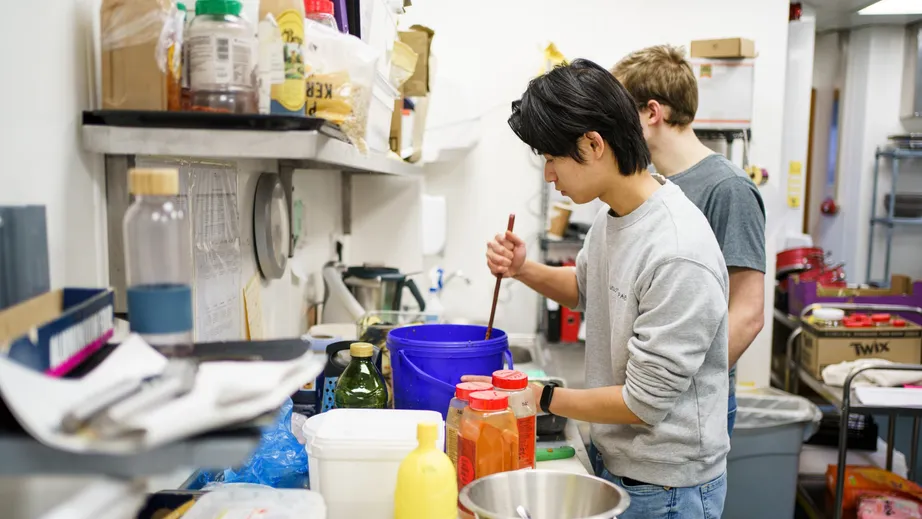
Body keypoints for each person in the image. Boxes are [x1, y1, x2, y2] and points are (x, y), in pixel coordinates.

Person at [469, 59, 730, 519]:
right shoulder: (614, 218)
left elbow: (641, 402)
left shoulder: (676, 248)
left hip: (667, 487)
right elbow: (587, 291)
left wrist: (539, 396)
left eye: (551, 158)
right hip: (622, 463)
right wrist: (523, 268)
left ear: (593, 144)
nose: (549, 175)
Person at [611, 45, 766, 436]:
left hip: (687, 408)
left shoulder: (728, 188)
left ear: (650, 112)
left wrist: (677, 387)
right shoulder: (649, 184)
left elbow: (747, 313)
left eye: (617, 113)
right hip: (645, 400)